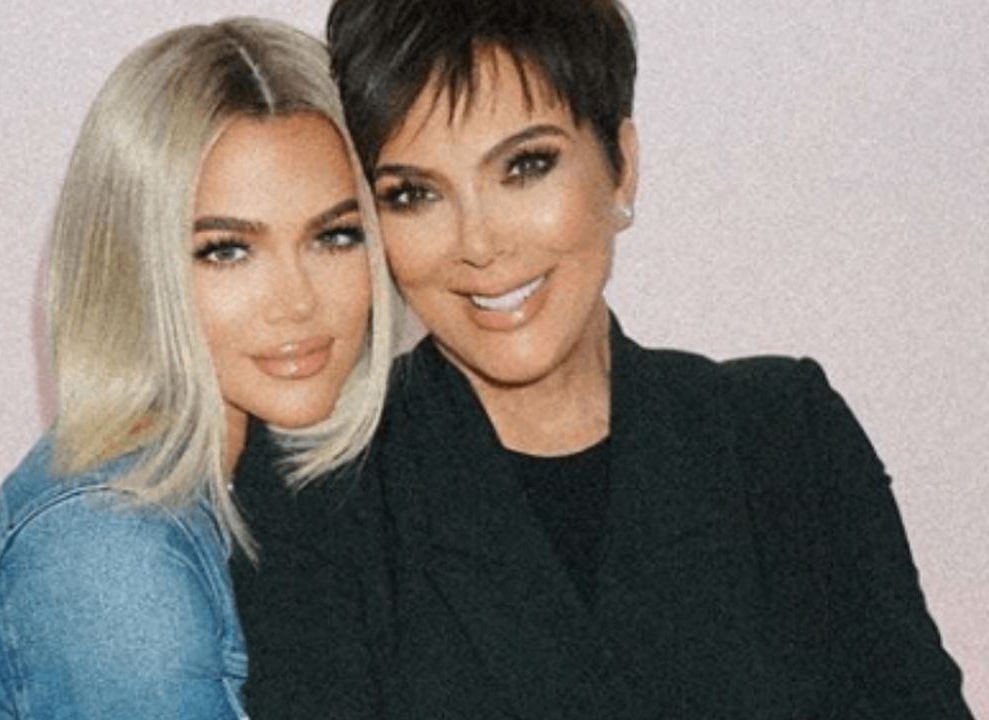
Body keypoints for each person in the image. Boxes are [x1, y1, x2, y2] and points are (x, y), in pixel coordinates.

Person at [229, 1, 974, 718]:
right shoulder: (319, 487)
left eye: (525, 166)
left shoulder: (782, 434)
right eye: (415, 194)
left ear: (622, 168)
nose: (479, 243)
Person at [0, 17, 394, 719]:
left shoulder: (237, 479)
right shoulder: (110, 554)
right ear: (133, 264)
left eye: (335, 236)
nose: (297, 302)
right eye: (226, 250)